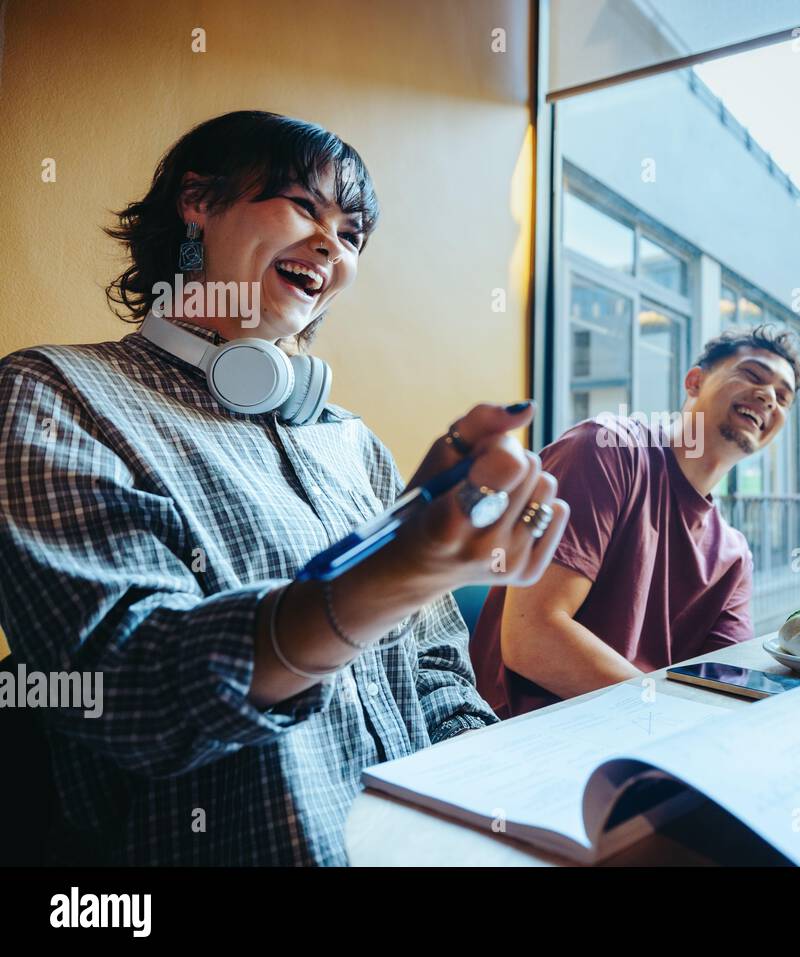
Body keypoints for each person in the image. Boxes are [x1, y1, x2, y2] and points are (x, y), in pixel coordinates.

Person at [0, 111, 569, 865]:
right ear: (198, 202)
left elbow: (434, 667)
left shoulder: (352, 444)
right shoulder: (53, 393)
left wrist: (502, 814)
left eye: (353, 231)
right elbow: (127, 691)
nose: (333, 242)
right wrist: (382, 577)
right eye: (305, 205)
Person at [471, 324, 800, 717]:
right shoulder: (606, 451)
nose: (769, 397)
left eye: (783, 398)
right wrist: (667, 717)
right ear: (695, 381)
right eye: (752, 375)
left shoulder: (733, 555)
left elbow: (723, 684)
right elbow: (532, 638)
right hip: (523, 732)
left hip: (639, 739)